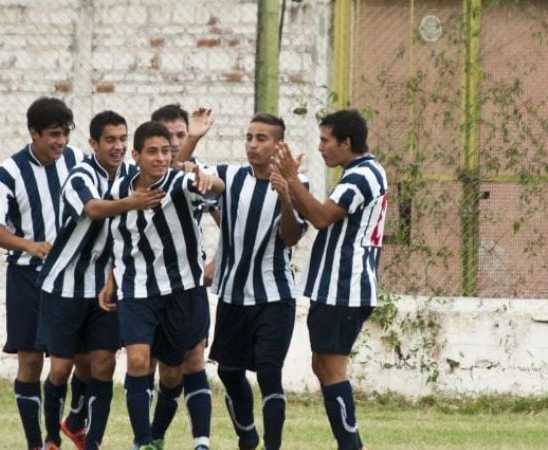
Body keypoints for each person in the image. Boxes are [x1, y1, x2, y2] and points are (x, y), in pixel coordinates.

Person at [36, 111, 165, 450]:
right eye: (110, 140)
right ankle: (51, 437)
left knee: (104, 364)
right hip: (64, 284)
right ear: (94, 143)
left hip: (106, 287)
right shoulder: (80, 174)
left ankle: (92, 442)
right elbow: (92, 209)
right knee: (63, 369)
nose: (118, 146)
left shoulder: (133, 176)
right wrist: (129, 202)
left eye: (123, 139)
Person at [103, 121, 225, 450]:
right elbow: (119, 240)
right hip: (137, 291)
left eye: (166, 152)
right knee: (139, 361)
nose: (160, 158)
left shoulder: (182, 183)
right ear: (136, 156)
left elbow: (209, 185)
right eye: (152, 152)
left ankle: (171, 437)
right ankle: (142, 442)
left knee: (177, 372)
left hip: (183, 290)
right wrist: (111, 278)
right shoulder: (118, 191)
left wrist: (207, 179)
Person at [273, 109, 387, 450]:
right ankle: (349, 442)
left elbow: (321, 217)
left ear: (346, 142)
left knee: (332, 369)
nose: (321, 147)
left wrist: (292, 179)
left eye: (325, 140)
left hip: (345, 286)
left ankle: (351, 445)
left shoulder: (362, 176)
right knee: (323, 365)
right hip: (335, 286)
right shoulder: (358, 171)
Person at [0, 97, 84, 450]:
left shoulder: (78, 160)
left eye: (65, 134)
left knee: (76, 360)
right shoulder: (10, 172)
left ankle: (66, 427)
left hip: (71, 277)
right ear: (33, 133)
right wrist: (28, 245)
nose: (61, 142)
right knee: (32, 361)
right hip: (27, 278)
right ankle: (38, 443)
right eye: (53, 134)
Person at [208, 113, 308, 450]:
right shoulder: (230, 175)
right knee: (228, 372)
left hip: (274, 295)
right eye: (249, 137)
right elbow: (207, 188)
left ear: (278, 145)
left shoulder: (298, 182)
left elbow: (292, 237)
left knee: (268, 373)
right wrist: (193, 169)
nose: (252, 145)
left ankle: (272, 446)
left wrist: (285, 196)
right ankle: (247, 434)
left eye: (261, 138)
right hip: (233, 295)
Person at [146, 104, 217, 450]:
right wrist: (193, 140)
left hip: (189, 287)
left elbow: (229, 219)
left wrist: (216, 261)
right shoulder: (143, 174)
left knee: (194, 359)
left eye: (180, 134)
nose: (174, 142)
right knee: (167, 373)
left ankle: (201, 442)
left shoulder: (198, 174)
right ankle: (154, 435)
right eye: (168, 135)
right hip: (150, 289)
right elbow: (167, 174)